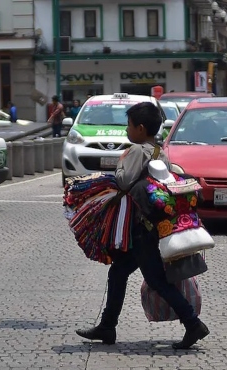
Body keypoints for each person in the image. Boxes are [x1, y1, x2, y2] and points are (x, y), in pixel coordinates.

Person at [75, 102, 209, 350]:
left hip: (141, 229)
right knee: (118, 272)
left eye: (129, 125)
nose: (127, 130)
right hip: (149, 226)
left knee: (157, 280)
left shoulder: (136, 151)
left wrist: (121, 162)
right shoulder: (160, 152)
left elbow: (124, 181)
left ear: (140, 128)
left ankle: (193, 323)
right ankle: (107, 326)